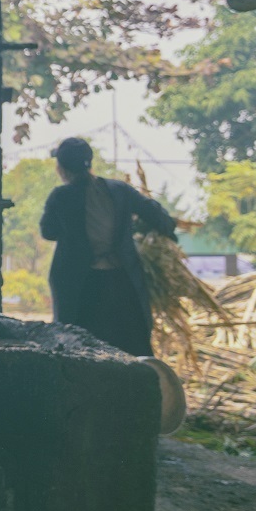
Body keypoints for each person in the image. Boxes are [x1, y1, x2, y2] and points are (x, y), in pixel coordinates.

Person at [38, 136, 177, 356]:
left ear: (62, 169)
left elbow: (48, 232)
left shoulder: (61, 197)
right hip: (122, 282)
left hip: (82, 288)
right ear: (89, 163)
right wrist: (160, 229)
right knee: (130, 349)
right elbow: (157, 215)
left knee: (82, 351)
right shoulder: (119, 190)